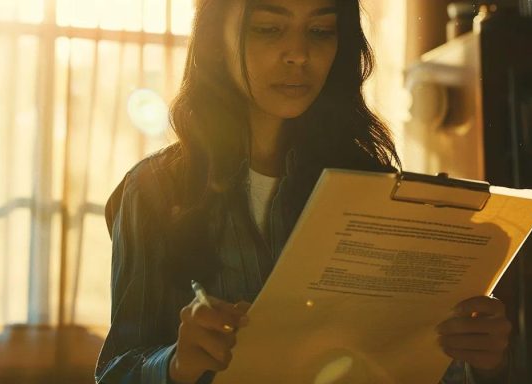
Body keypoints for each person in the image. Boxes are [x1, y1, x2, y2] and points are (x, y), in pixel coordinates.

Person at [95, 0, 511, 383]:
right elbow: (116, 371)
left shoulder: (375, 187)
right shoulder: (155, 188)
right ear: (216, 41)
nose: (299, 54)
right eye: (269, 30)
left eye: (320, 31)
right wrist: (176, 363)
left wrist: (476, 357)